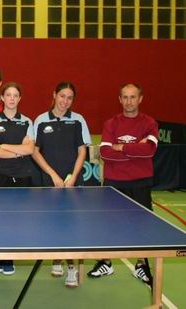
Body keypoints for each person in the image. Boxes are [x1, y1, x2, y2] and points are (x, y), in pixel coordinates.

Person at [87, 83, 158, 285]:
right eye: (125, 97)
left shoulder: (150, 123)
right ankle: (106, 262)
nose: (129, 101)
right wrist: (136, 149)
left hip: (140, 182)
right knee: (108, 225)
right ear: (120, 99)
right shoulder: (111, 123)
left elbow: (150, 151)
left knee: (142, 226)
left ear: (140, 98)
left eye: (132, 97)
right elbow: (106, 153)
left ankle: (141, 265)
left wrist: (121, 147)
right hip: (114, 182)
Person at [32, 82, 92, 288]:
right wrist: (53, 175)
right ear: (54, 94)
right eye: (62, 96)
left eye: (70, 98)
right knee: (51, 223)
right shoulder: (40, 120)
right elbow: (35, 151)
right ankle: (57, 259)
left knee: (70, 226)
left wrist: (73, 177)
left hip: (72, 181)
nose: (65, 101)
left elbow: (82, 151)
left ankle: (72, 269)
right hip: (49, 180)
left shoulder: (78, 120)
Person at [0, 82, 35, 275]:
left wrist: (4, 146)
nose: (12, 98)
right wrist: (18, 151)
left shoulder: (27, 122)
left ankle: (10, 258)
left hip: (22, 175)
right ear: (2, 98)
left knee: (17, 218)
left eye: (15, 95)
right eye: (8, 95)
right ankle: (0, 258)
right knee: (0, 218)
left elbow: (30, 150)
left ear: (20, 98)